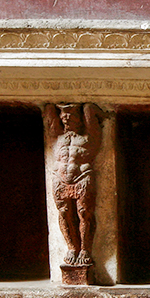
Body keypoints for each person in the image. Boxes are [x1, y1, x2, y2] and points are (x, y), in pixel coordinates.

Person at [45, 104, 96, 267]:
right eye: (64, 117)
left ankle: (85, 249)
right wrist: (58, 107)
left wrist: (86, 107)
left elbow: (89, 112)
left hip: (82, 177)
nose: (66, 119)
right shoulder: (57, 137)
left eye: (71, 117)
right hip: (60, 179)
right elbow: (49, 114)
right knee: (64, 212)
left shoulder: (88, 138)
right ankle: (72, 248)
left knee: (84, 213)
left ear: (80, 119)